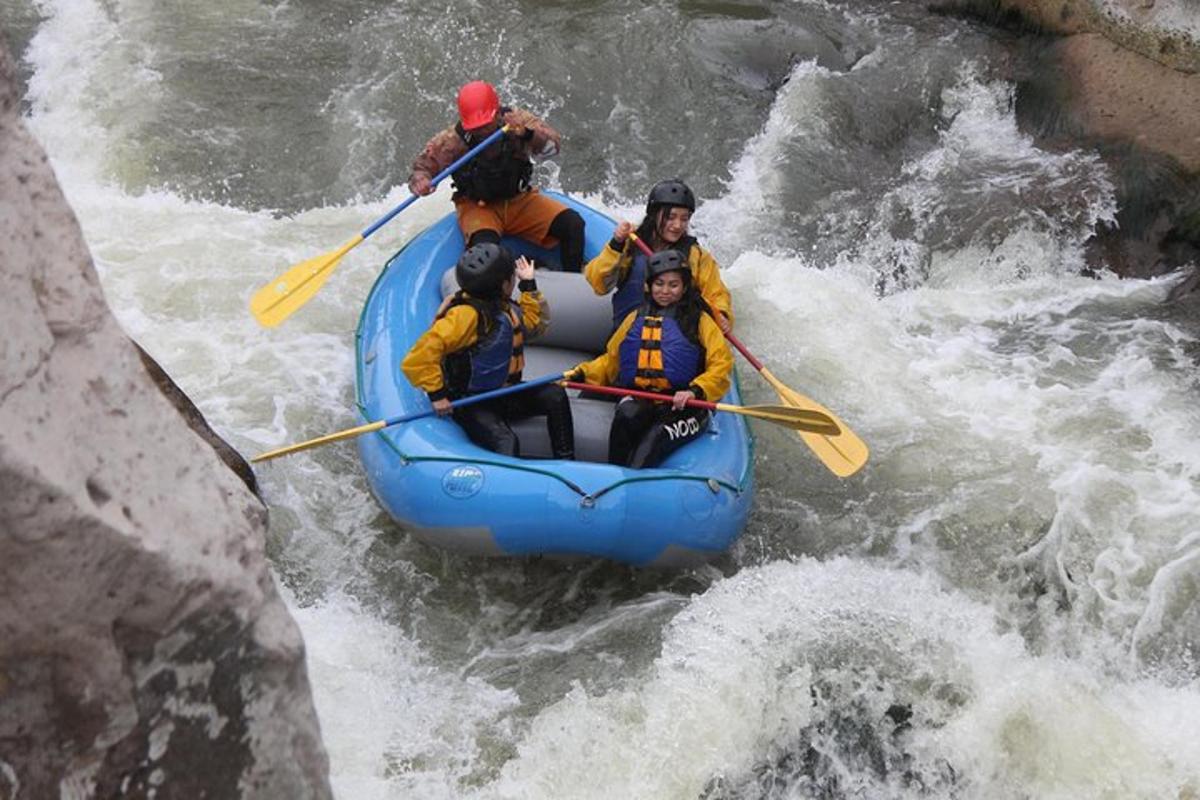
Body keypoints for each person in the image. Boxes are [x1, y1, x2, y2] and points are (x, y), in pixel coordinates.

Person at [401, 243, 575, 460]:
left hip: (503, 392)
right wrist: (437, 395)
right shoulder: (465, 316)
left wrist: (529, 285)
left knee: (555, 395)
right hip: (470, 402)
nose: (514, 280)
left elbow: (533, 325)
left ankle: (566, 462)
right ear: (504, 284)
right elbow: (420, 355)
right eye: (513, 277)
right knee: (507, 440)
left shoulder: (502, 306)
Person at [568, 250, 733, 469]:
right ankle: (613, 477)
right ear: (649, 286)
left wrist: (696, 391)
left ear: (684, 288)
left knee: (654, 437)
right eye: (659, 284)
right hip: (643, 397)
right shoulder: (636, 318)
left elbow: (721, 365)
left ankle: (633, 484)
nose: (665, 291)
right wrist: (584, 372)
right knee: (625, 417)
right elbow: (612, 360)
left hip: (686, 406)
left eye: (673, 285)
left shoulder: (700, 321)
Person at [407, 80, 586, 272]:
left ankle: (572, 279)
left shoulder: (519, 121)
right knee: (486, 253)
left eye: (485, 125)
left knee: (573, 225)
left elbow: (553, 148)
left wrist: (527, 135)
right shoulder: (453, 139)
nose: (481, 132)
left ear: (497, 112)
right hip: (479, 207)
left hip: (520, 201)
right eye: (475, 127)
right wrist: (420, 181)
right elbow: (423, 167)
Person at [584, 179, 733, 332]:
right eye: (671, 217)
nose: (677, 225)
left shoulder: (696, 255)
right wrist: (616, 244)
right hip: (629, 341)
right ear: (654, 215)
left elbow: (717, 294)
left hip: (674, 346)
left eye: (684, 219)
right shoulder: (630, 245)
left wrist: (722, 314)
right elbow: (598, 284)